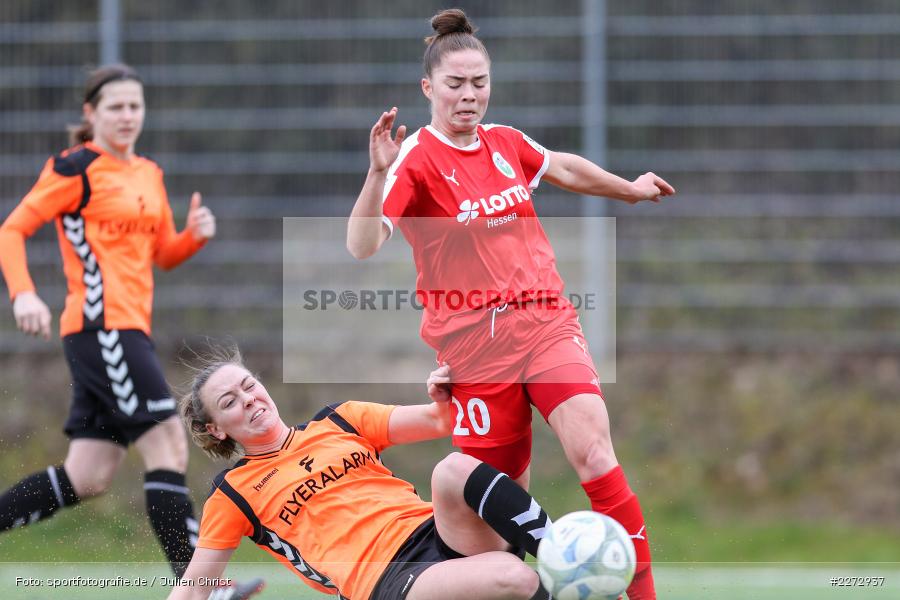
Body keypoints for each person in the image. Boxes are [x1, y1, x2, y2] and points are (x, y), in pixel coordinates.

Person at [346, 9, 676, 599]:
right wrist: (375, 175)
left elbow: (563, 166)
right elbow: (362, 244)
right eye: (455, 85)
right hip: (472, 351)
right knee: (492, 523)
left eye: (479, 83)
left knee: (594, 453)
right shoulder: (414, 160)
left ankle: (642, 594)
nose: (469, 97)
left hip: (545, 321)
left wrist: (628, 188)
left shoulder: (505, 142)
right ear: (428, 89)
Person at [0, 64, 216, 576]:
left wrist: (193, 237)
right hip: (102, 328)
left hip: (126, 330)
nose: (127, 116)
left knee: (89, 475)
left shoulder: (148, 172)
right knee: (166, 440)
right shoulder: (74, 169)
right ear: (90, 113)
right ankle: (200, 586)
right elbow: (12, 230)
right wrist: (24, 295)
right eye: (115, 107)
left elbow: (162, 254)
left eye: (135, 106)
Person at [170, 348, 555, 600]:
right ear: (215, 429)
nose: (248, 399)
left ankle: (567, 553)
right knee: (514, 577)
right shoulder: (233, 492)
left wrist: (445, 392)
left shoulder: (339, 420)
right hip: (384, 580)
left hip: (438, 532)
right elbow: (192, 590)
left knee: (452, 469)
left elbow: (445, 419)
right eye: (229, 402)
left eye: (248, 385)